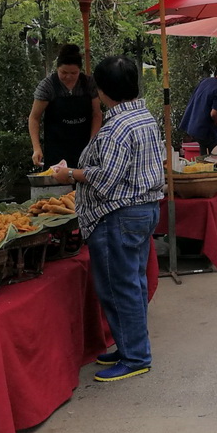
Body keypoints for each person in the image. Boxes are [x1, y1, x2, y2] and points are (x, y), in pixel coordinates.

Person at [52, 55, 164, 383]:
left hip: (119, 215)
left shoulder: (116, 127)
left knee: (120, 286)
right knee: (133, 283)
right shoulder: (143, 116)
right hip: (142, 210)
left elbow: (106, 179)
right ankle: (130, 345)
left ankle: (135, 356)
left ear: (103, 90)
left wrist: (69, 173)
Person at [28, 43, 102, 169]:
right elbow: (34, 118)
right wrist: (36, 148)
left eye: (74, 73)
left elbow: (97, 114)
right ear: (57, 69)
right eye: (64, 72)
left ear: (80, 70)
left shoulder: (89, 83)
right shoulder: (47, 86)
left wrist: (92, 142)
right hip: (56, 147)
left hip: (84, 146)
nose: (68, 77)